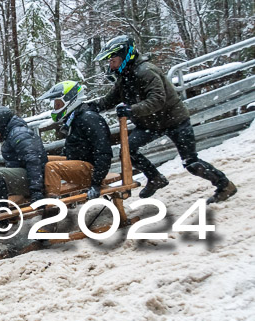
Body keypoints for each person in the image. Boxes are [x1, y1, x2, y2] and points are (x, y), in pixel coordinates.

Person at [91, 35, 237, 203]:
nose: (111, 65)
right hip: (151, 124)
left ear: (125, 57)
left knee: (191, 163)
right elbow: (109, 100)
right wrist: (90, 107)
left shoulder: (146, 72)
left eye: (113, 60)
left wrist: (131, 110)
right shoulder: (125, 77)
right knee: (127, 149)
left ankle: (225, 185)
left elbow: (157, 100)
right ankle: (155, 178)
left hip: (175, 121)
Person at [40, 81, 113, 200]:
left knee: (51, 167)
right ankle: (39, 195)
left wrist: (96, 183)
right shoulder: (75, 117)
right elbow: (75, 146)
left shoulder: (89, 118)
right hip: (79, 162)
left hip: (91, 169)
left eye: (58, 104)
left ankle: (52, 207)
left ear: (70, 100)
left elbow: (104, 152)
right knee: (41, 160)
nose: (56, 108)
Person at [0, 106, 48, 205]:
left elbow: (33, 161)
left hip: (34, 182)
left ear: (0, 126)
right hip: (24, 176)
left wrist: (36, 191)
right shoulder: (11, 134)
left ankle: (0, 211)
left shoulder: (19, 135)